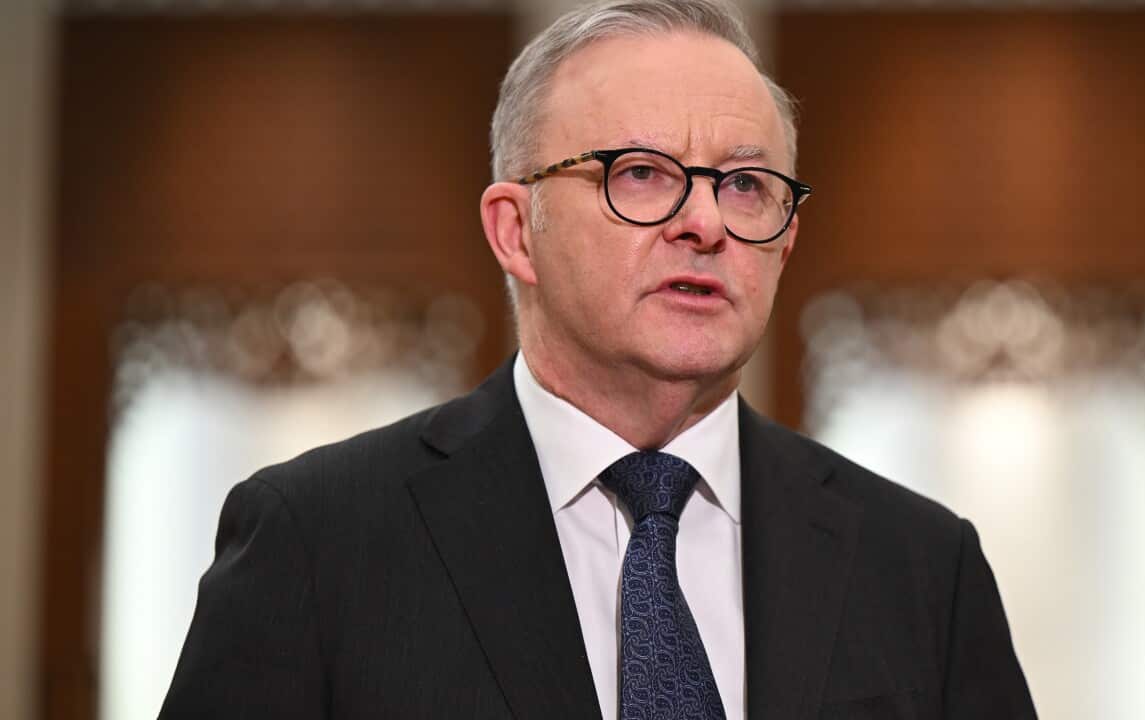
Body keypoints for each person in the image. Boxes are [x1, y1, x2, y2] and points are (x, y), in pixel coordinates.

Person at [161, 1, 1036, 718]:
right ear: (516, 231)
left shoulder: (922, 564)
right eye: (642, 173)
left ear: (785, 241)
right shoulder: (316, 540)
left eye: (744, 185)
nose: (706, 223)